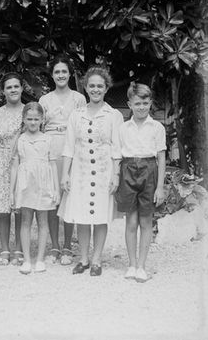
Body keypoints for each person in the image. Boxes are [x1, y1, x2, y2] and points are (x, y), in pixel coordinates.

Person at [58, 66, 123, 276]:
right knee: (82, 215)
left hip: (104, 171)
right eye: (92, 86)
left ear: (106, 89)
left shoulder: (113, 115)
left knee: (101, 215)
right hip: (81, 171)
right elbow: (69, 147)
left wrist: (115, 175)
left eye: (100, 86)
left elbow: (117, 149)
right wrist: (65, 174)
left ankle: (97, 260)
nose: (96, 89)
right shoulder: (76, 115)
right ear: (86, 87)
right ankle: (84, 258)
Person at [116, 83, 166, 283]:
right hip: (127, 170)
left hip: (149, 171)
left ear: (151, 103)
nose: (142, 107)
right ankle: (131, 264)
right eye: (137, 103)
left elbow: (161, 158)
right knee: (131, 221)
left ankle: (142, 267)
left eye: (145, 103)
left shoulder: (157, 127)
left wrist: (160, 186)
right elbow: (117, 156)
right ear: (130, 104)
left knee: (146, 221)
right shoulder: (123, 128)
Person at [39, 55, 86, 265]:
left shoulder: (79, 98)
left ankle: (67, 245)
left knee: (68, 196)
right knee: (51, 198)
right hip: (50, 149)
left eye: (64, 71)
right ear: (52, 75)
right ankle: (54, 245)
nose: (60, 75)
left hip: (72, 149)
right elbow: (38, 129)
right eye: (57, 72)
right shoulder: (44, 100)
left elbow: (83, 128)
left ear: (70, 74)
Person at [9, 102, 60, 274]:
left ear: (42, 120)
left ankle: (39, 259)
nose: (32, 122)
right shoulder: (20, 139)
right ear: (23, 119)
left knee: (43, 221)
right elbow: (15, 166)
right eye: (29, 119)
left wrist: (56, 190)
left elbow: (52, 165)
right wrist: (12, 191)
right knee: (25, 220)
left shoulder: (47, 139)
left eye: (36, 119)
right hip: (25, 184)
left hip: (43, 184)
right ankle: (27, 260)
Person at [0, 72, 24, 266]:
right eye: (9, 87)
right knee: (3, 208)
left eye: (16, 86)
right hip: (0, 161)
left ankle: (18, 248)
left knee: (20, 207)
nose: (13, 90)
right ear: (3, 91)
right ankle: (4, 249)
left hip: (22, 162)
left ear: (22, 88)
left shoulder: (29, 111)